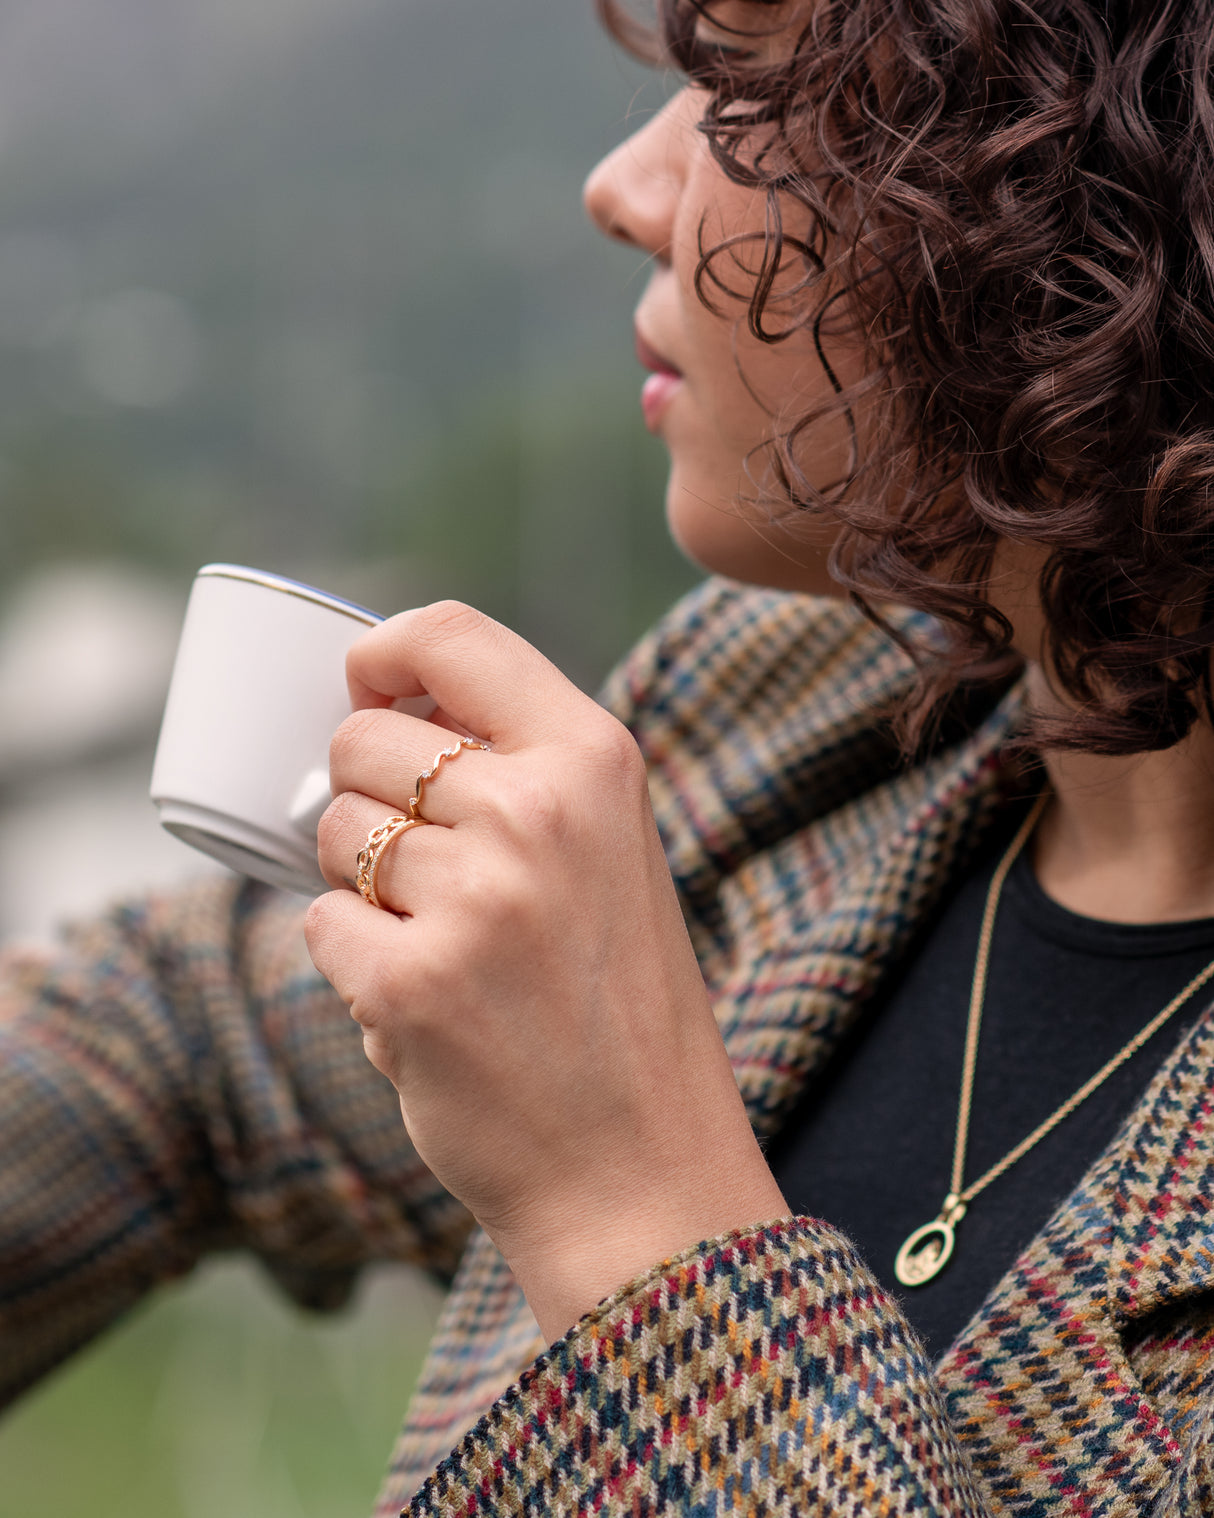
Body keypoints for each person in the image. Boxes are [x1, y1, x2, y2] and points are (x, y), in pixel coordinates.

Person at [4, 0, 1214, 1511]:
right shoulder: (829, 702)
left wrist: (628, 1207)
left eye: (752, 87)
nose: (621, 188)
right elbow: (194, 1043)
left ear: (1113, 191)